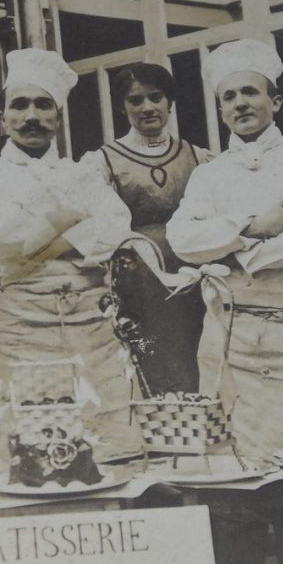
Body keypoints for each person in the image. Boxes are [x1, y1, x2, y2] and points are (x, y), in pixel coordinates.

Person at [0, 48, 141, 467]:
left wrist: (39, 238)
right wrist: (68, 220)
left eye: (43, 104)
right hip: (25, 328)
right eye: (19, 105)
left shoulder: (84, 174)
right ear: (2, 117)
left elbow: (116, 235)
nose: (31, 115)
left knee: (108, 443)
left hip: (93, 324)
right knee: (33, 446)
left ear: (58, 115)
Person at [168, 39, 283, 460]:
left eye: (251, 92)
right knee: (234, 445)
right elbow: (181, 238)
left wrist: (235, 255)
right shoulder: (209, 176)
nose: (241, 103)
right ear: (222, 110)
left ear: (275, 101)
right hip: (231, 329)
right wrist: (250, 228)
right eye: (229, 96)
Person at [82, 63, 213, 396]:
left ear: (170, 103)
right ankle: (161, 423)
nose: (147, 108)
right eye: (135, 100)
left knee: (199, 352)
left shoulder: (197, 157)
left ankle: (201, 425)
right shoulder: (104, 161)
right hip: (137, 283)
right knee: (149, 350)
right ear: (121, 107)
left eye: (156, 97)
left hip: (192, 276)